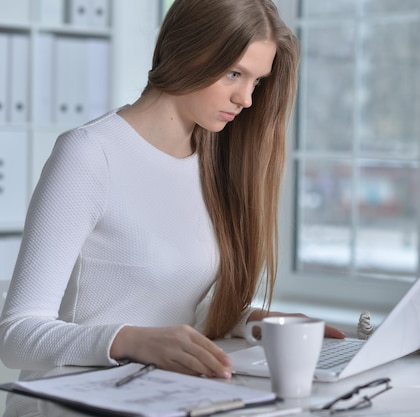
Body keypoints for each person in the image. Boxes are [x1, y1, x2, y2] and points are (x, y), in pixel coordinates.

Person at [0, 0, 344, 383]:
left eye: (257, 81)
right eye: (234, 74)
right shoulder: (90, 154)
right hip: (69, 401)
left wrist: (246, 321)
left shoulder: (213, 159)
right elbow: (17, 335)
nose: (246, 99)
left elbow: (171, 305)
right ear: (187, 54)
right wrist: (131, 340)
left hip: (160, 393)